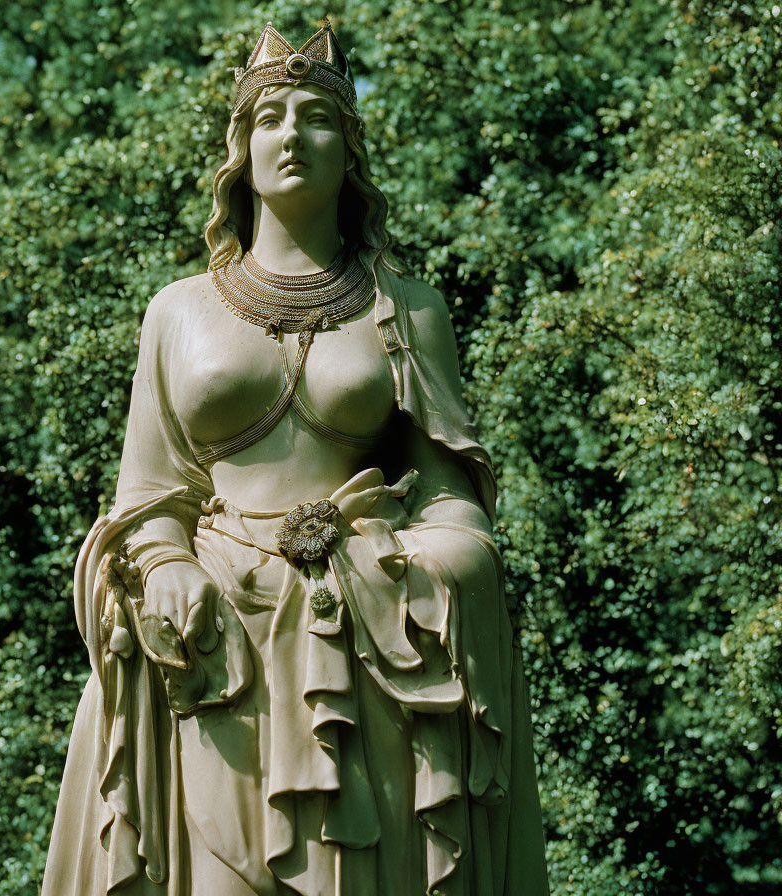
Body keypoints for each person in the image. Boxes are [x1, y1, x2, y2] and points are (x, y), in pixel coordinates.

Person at [42, 21, 549, 896]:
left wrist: (432, 558)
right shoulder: (179, 310)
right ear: (241, 148)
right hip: (218, 636)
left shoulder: (410, 311)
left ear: (347, 149)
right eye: (269, 116)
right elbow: (148, 492)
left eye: (315, 117)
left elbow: (452, 492)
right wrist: (164, 565)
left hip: (365, 639)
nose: (291, 134)